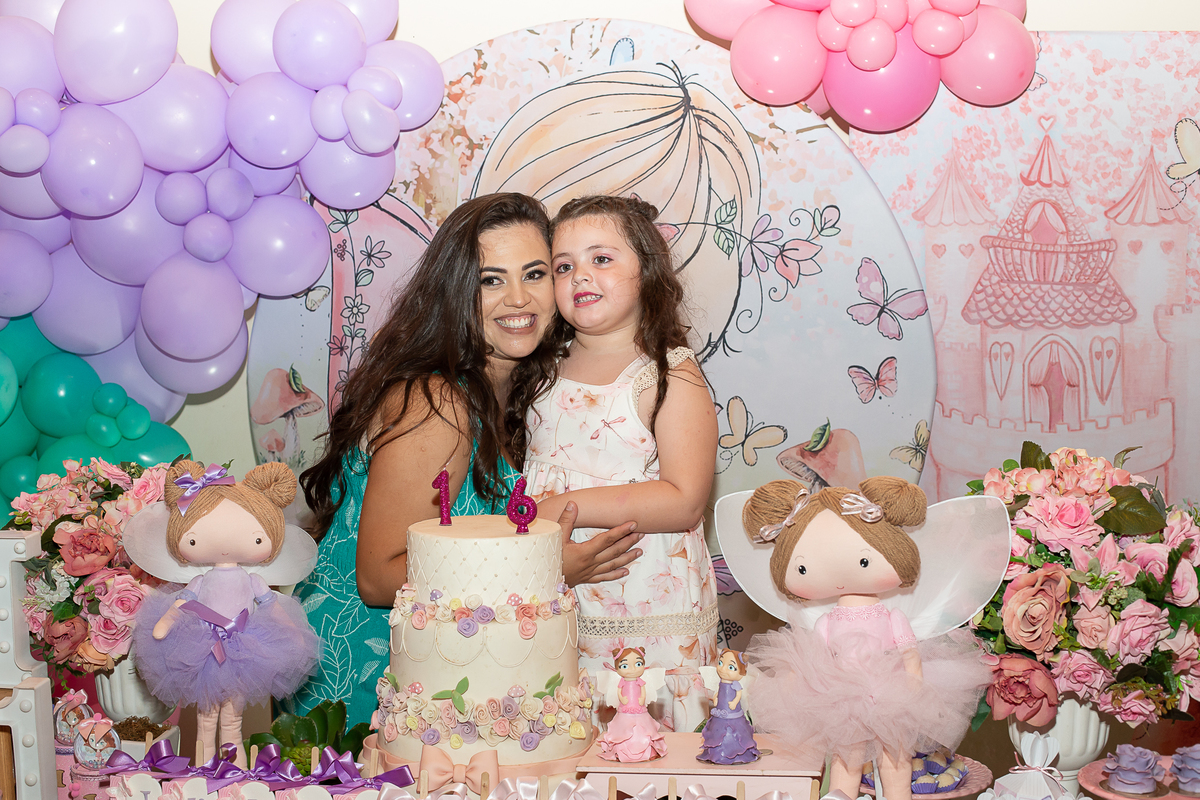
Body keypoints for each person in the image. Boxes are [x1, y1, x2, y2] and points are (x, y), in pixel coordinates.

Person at [290, 193, 643, 725]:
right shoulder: (437, 402)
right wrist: (542, 569)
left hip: (447, 680)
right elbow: (379, 579)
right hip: (365, 685)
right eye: (490, 280)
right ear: (456, 291)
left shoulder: (520, 397)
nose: (518, 298)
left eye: (535, 274)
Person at [525, 195, 720, 734]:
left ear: (647, 272)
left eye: (602, 259)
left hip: (644, 596)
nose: (580, 276)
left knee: (647, 738)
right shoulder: (540, 369)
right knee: (567, 731)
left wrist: (564, 506)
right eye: (563, 266)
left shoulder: (667, 374)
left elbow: (684, 500)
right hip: (559, 586)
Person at [741, 478, 990, 800]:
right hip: (840, 698)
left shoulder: (892, 617)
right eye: (803, 568)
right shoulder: (827, 623)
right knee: (846, 759)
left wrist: (915, 687)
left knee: (895, 758)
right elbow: (813, 659)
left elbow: (910, 654)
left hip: (890, 694)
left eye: (863, 561)